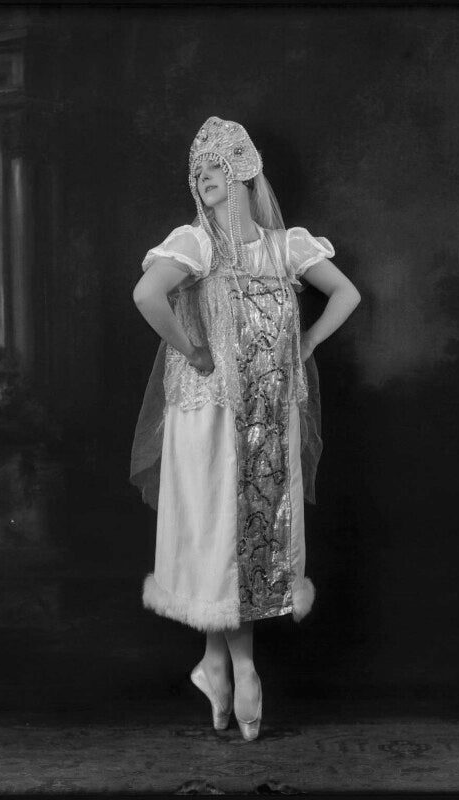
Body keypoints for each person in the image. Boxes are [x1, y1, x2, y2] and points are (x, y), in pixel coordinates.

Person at [131, 116, 361, 740]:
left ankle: (215, 664)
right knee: (221, 536)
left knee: (247, 536)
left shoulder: (285, 247)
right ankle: (241, 665)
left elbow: (345, 294)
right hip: (212, 417)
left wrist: (307, 343)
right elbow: (148, 295)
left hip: (270, 416)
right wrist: (194, 350)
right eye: (198, 169)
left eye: (217, 165)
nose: (204, 176)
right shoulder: (196, 244)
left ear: (244, 172)